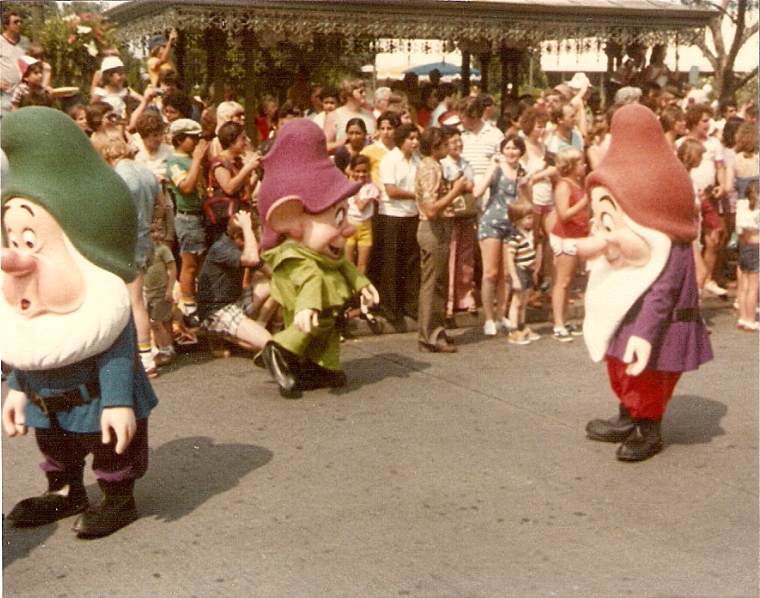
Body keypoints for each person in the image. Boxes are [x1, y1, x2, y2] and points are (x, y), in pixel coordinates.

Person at [1, 107, 158, 538]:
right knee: (53, 444)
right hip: (45, 397)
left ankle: (118, 497)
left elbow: (117, 355)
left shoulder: (99, 305)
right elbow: (26, 346)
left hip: (97, 396)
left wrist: (118, 401)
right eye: (13, 240)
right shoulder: (29, 299)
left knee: (112, 450)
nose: (16, 255)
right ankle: (66, 488)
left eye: (30, 241)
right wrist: (16, 389)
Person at [577, 103, 713, 462]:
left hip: (656, 295)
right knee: (618, 356)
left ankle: (648, 424)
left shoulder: (666, 185)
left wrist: (648, 330)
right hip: (626, 288)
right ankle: (628, 412)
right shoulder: (632, 171)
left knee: (647, 365)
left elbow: (665, 287)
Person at [256, 118, 379, 398]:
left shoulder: (324, 253)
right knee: (306, 324)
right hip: (303, 296)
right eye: (337, 217)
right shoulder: (294, 255)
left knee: (327, 325)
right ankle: (280, 349)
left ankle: (318, 366)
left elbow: (341, 265)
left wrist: (361, 283)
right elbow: (308, 278)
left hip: (320, 299)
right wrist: (306, 306)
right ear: (291, 219)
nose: (348, 227)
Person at [93, 136, 160, 378]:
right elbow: (161, 205)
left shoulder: (117, 177)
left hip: (126, 242)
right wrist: (154, 224)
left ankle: (145, 355)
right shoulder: (147, 173)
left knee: (134, 301)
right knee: (137, 299)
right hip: (145, 241)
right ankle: (143, 351)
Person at [415, 127, 468, 352]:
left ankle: (435, 329)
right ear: (435, 146)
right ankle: (429, 335)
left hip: (441, 228)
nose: (449, 148)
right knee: (432, 283)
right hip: (433, 228)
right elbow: (430, 209)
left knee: (438, 282)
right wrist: (455, 191)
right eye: (445, 144)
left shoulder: (436, 166)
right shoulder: (429, 168)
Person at [473, 135, 527, 336]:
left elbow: (525, 200)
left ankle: (501, 313)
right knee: (490, 273)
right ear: (502, 150)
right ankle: (488, 318)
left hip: (512, 225)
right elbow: (477, 192)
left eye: (515, 148)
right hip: (492, 223)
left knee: (506, 274)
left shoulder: (522, 171)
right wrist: (491, 167)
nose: (512, 152)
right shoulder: (496, 169)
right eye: (508, 148)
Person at [196, 211, 273, 352]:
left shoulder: (238, 247)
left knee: (275, 284)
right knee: (267, 343)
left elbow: (262, 266)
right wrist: (247, 227)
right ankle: (217, 333)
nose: (255, 239)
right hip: (217, 310)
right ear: (238, 236)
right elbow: (252, 259)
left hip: (235, 302)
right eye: (252, 235)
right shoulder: (221, 248)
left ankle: (258, 325)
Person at [677, 103, 728, 296]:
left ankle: (706, 278)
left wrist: (721, 185)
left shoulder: (714, 144)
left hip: (709, 197)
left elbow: (721, 167)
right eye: (704, 121)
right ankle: (695, 281)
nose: (708, 125)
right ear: (694, 121)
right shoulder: (681, 143)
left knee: (714, 237)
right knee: (693, 242)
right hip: (690, 196)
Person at [166, 118, 210, 327]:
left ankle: (197, 298)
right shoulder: (175, 162)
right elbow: (186, 186)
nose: (196, 142)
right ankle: (188, 304)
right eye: (192, 138)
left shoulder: (192, 158)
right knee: (189, 264)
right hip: (187, 218)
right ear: (180, 139)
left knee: (200, 261)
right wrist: (197, 160)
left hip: (200, 215)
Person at [376, 122, 422, 324]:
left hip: (412, 215)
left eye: (416, 138)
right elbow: (391, 191)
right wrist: (416, 195)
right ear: (401, 141)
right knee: (391, 263)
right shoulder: (390, 160)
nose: (415, 142)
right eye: (410, 138)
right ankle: (390, 308)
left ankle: (410, 305)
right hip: (391, 216)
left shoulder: (417, 160)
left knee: (411, 262)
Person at [549, 147, 589, 342]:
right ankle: (558, 323)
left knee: (568, 282)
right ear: (571, 166)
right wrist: (585, 203)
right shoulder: (564, 185)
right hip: (565, 237)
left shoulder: (577, 183)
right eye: (580, 163)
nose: (584, 165)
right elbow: (563, 214)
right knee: (562, 281)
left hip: (576, 235)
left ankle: (563, 320)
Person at [440, 126, 477, 316]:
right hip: (450, 214)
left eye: (459, 140)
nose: (458, 145)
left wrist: (463, 185)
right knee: (451, 256)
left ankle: (465, 295)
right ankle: (449, 299)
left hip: (467, 213)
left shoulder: (466, 163)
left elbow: (471, 184)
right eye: (453, 141)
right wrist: (459, 185)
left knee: (465, 256)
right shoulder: (443, 163)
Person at [207, 121, 261, 241]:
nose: (246, 142)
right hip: (226, 221)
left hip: (242, 214)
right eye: (242, 138)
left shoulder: (237, 161)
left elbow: (246, 191)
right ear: (231, 142)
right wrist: (247, 168)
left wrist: (257, 172)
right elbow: (229, 188)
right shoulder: (220, 163)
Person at [505, 199, 540, 345]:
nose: (531, 220)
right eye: (528, 218)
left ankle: (522, 325)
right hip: (519, 270)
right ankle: (513, 330)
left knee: (524, 301)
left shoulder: (529, 234)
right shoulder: (515, 237)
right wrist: (515, 277)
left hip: (527, 270)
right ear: (517, 220)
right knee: (516, 302)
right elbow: (509, 259)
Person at [143, 223, 177, 365]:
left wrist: (170, 289)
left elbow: (173, 269)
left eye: (159, 230)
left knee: (158, 322)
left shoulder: (163, 250)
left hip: (160, 292)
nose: (156, 234)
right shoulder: (144, 251)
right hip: (147, 292)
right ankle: (161, 347)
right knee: (154, 322)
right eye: (152, 231)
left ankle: (167, 349)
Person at [344, 154, 380, 275]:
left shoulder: (371, 188)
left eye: (364, 171)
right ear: (352, 171)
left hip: (365, 228)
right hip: (350, 225)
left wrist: (354, 188)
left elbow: (361, 206)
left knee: (362, 264)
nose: (361, 174)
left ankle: (360, 292)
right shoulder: (346, 185)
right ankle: (350, 292)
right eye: (357, 171)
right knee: (348, 263)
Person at [324, 78, 375, 152]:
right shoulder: (334, 116)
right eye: (360, 92)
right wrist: (342, 143)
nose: (364, 94)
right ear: (349, 93)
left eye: (365, 91)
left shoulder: (370, 115)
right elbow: (324, 146)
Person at [735, 180, 759, 331]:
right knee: (753, 287)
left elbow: (739, 232)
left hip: (744, 247)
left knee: (743, 286)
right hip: (756, 248)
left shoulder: (742, 209)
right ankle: (751, 319)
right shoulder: (757, 212)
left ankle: (743, 317)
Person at [0, 11, 29, 114]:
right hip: (4, 95)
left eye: (20, 21)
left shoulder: (25, 42)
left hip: (23, 93)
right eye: (15, 22)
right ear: (6, 25)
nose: (19, 24)